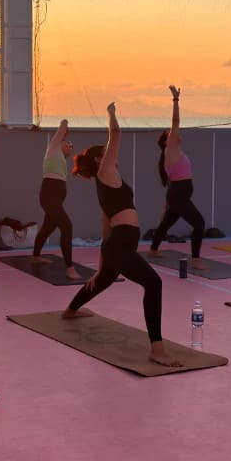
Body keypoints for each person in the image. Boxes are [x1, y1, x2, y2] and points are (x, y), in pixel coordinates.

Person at [63, 103, 181, 368]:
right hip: (120, 244)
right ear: (98, 160)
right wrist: (111, 114)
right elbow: (115, 136)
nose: (111, 153)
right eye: (105, 153)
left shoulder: (110, 178)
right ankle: (157, 349)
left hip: (118, 243)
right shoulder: (104, 172)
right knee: (154, 284)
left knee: (102, 280)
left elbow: (106, 224)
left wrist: (102, 264)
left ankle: (71, 310)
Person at [149, 86, 207, 269]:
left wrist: (168, 201)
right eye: (171, 133)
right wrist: (175, 100)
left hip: (178, 194)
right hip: (179, 194)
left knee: (166, 223)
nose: (175, 133)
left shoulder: (174, 151)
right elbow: (175, 121)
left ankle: (153, 249)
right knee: (199, 223)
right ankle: (196, 260)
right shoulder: (171, 148)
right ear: (167, 140)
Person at [30, 118, 80, 280]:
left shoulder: (60, 160)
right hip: (49, 195)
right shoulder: (53, 148)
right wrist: (65, 124)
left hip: (56, 197)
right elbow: (63, 126)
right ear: (61, 143)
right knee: (67, 226)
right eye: (69, 144)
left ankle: (36, 255)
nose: (71, 147)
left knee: (48, 227)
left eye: (72, 146)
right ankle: (70, 268)